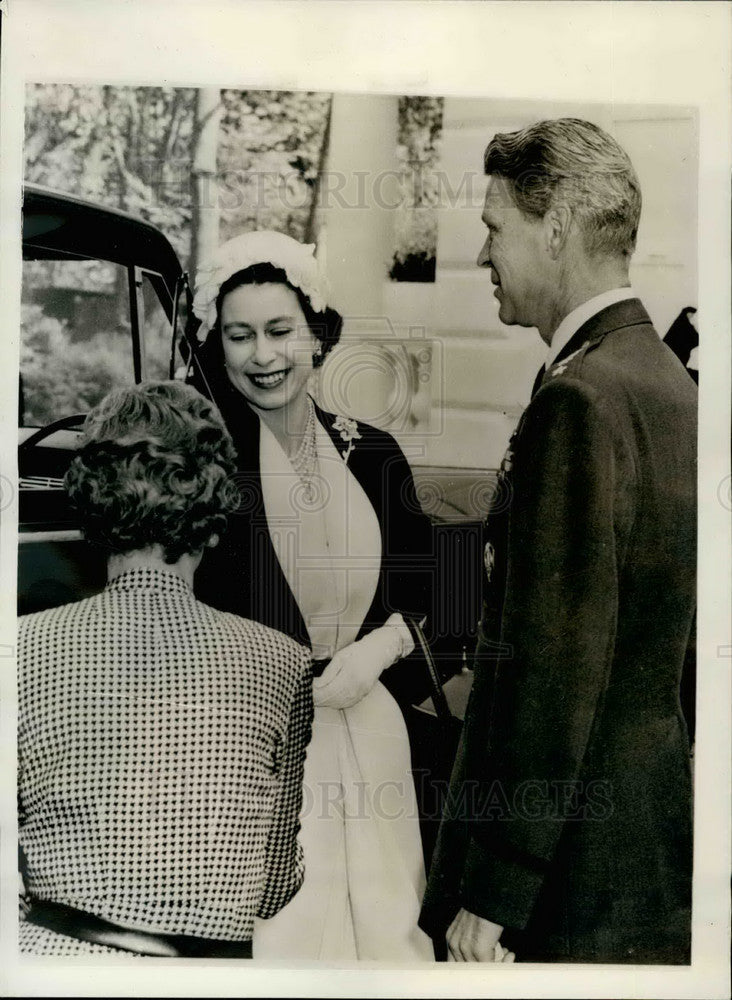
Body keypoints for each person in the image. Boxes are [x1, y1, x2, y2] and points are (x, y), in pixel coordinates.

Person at [419, 118, 696, 964]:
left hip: (563, 880)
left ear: (560, 223)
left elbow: (556, 669)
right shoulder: (664, 382)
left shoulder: (579, 400)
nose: (483, 256)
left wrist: (496, 891)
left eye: (495, 228)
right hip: (636, 849)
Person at [189, 231, 435, 960]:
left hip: (373, 733)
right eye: (240, 336)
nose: (262, 356)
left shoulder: (376, 455)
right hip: (249, 748)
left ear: (318, 334)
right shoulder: (203, 466)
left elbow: (441, 594)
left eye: (279, 331)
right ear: (218, 346)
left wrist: (382, 648)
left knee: (387, 926)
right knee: (286, 936)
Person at [18, 381, 313, 958]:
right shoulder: (283, 663)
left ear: (87, 500)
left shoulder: (22, 647)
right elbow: (274, 887)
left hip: (52, 966)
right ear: (214, 507)